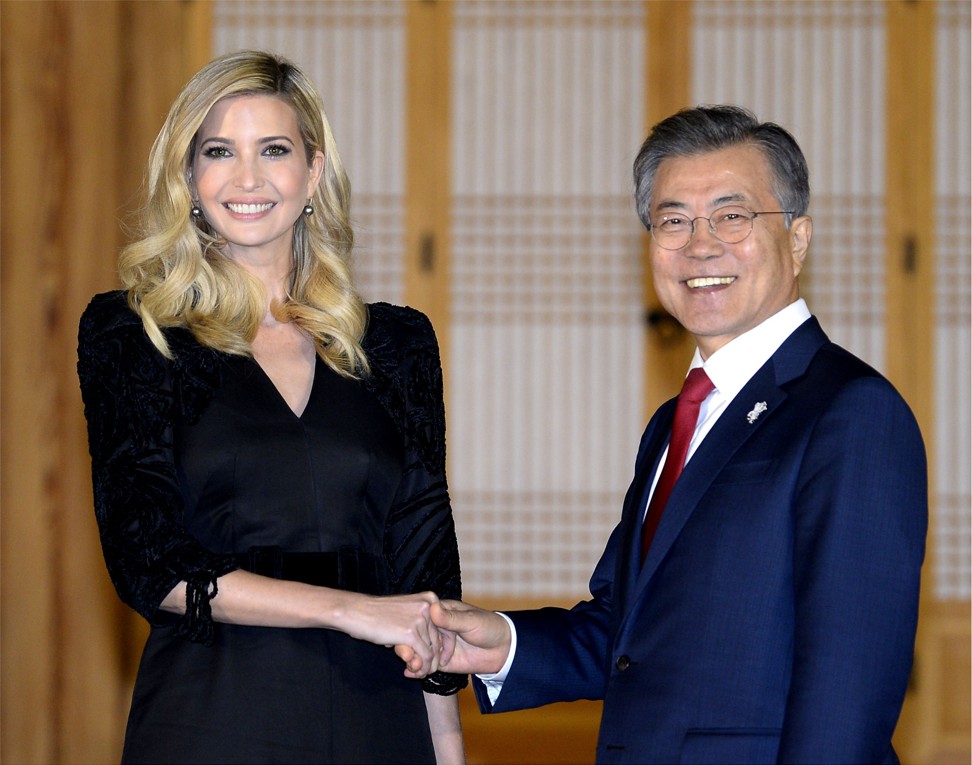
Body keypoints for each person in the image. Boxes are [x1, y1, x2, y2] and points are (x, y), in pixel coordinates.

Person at [399, 105, 927, 764]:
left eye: (732, 216)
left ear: (797, 238)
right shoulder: (676, 421)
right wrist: (502, 642)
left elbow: (847, 693)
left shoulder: (850, 413)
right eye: (674, 220)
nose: (701, 244)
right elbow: (631, 633)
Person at [77, 50, 466, 765]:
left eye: (274, 149)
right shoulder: (133, 333)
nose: (248, 177)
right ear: (189, 178)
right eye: (219, 151)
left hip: (378, 722)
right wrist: (351, 610)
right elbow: (148, 560)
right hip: (212, 718)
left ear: (312, 172)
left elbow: (426, 576)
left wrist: (447, 750)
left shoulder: (400, 343)